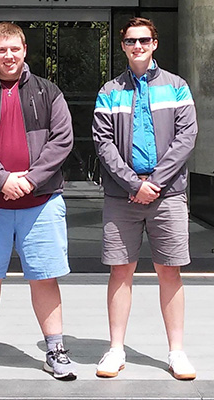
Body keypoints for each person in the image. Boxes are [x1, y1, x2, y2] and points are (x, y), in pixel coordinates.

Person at [0, 22, 77, 382]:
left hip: (41, 202)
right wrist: (2, 179)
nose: (9, 55)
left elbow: (62, 141)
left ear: (25, 51)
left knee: (44, 277)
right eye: (1, 49)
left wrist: (31, 180)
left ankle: (55, 349)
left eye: (15, 49)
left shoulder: (48, 91)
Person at [92, 17, 197, 380]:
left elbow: (187, 137)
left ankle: (177, 352)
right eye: (130, 41)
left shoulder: (177, 87)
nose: (137, 46)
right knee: (121, 271)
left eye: (143, 40)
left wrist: (155, 181)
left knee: (170, 271)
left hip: (167, 194)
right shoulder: (109, 90)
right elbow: (102, 143)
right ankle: (115, 349)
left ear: (155, 43)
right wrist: (132, 184)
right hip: (123, 196)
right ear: (122, 46)